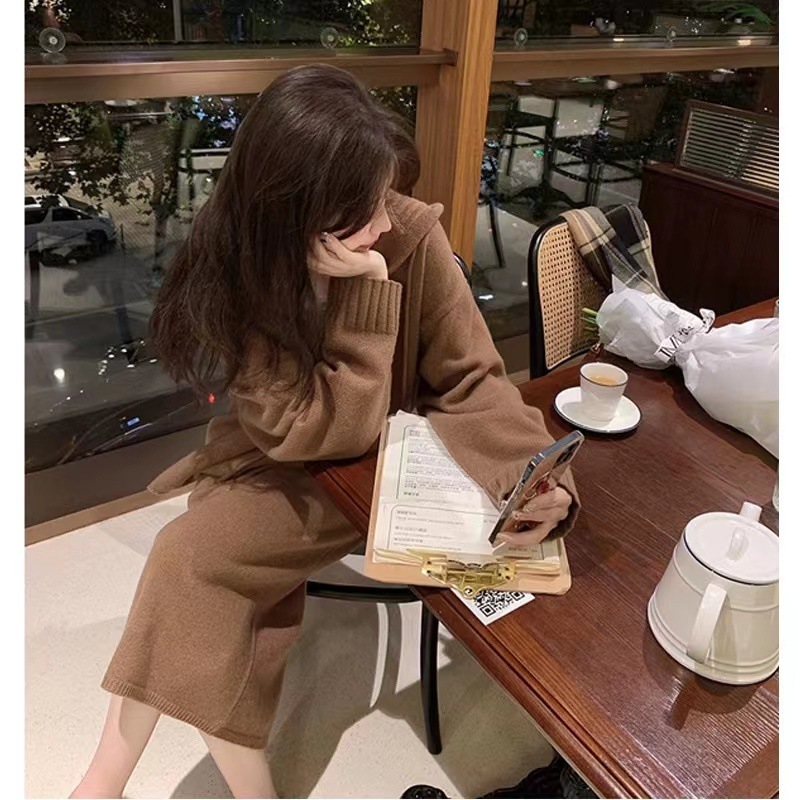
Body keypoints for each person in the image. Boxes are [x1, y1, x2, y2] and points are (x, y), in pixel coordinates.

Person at [70, 64, 579, 800]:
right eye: (363, 209)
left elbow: (473, 378)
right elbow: (308, 433)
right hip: (292, 455)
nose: (385, 223)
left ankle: (106, 782)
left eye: (382, 196)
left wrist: (534, 471)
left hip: (388, 467)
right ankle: (121, 781)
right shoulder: (240, 271)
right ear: (296, 216)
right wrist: (368, 302)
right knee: (193, 570)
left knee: (188, 564)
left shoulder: (407, 234)